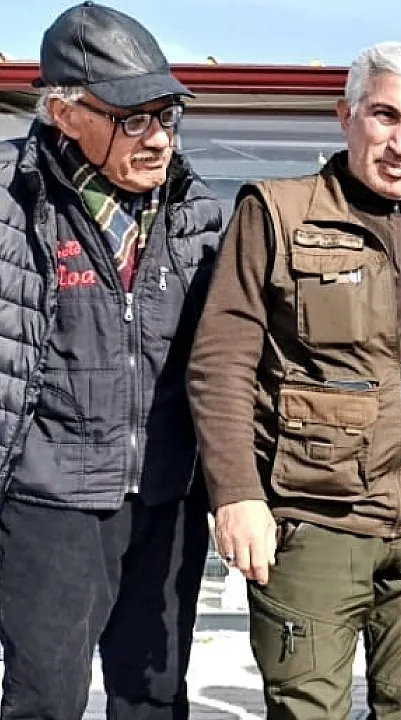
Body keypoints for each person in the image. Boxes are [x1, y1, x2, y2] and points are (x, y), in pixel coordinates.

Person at [187, 41, 401, 720]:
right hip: (314, 523)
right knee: (308, 710)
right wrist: (236, 495)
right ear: (346, 115)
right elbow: (221, 361)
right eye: (387, 116)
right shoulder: (275, 213)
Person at [0, 3, 224, 718]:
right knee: (44, 698)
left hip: (166, 493)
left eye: (167, 115)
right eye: (133, 118)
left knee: (154, 696)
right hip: (51, 499)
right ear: (65, 115)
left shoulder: (196, 209)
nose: (158, 137)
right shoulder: (9, 198)